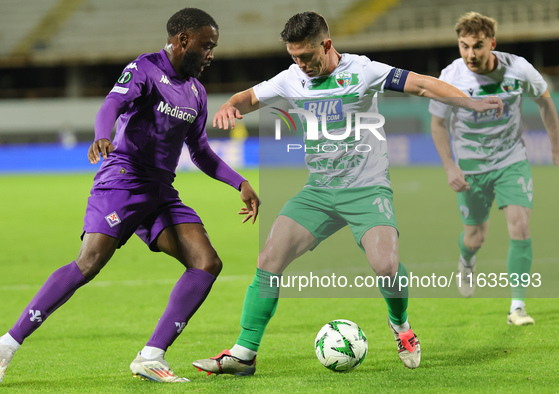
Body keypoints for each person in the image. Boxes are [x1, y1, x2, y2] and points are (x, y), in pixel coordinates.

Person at [192, 11, 502, 375]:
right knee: (268, 259)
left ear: (327, 45)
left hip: (366, 189)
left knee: (385, 266)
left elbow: (422, 84)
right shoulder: (292, 78)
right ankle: (243, 355)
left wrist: (471, 102)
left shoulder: (362, 70)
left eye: (306, 56)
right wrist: (230, 105)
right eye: (294, 57)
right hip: (319, 192)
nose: (301, 64)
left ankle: (401, 326)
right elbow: (247, 97)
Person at [0, 8, 260, 385]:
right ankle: (6, 344)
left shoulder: (196, 93)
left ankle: (151, 355)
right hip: (124, 179)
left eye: (213, 47)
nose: (211, 54)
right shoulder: (145, 69)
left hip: (161, 189)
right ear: (182, 41)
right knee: (89, 262)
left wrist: (239, 183)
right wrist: (102, 133)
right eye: (206, 46)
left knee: (206, 262)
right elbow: (111, 105)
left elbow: (200, 152)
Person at [429, 12, 559, 325]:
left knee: (521, 226)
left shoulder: (519, 69)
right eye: (464, 46)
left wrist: (555, 145)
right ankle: (467, 259)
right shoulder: (451, 76)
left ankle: (517, 307)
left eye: (477, 46)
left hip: (511, 160)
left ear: (492, 44)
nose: (470, 54)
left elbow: (545, 101)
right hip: (472, 167)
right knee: (475, 237)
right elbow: (437, 123)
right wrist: (449, 166)